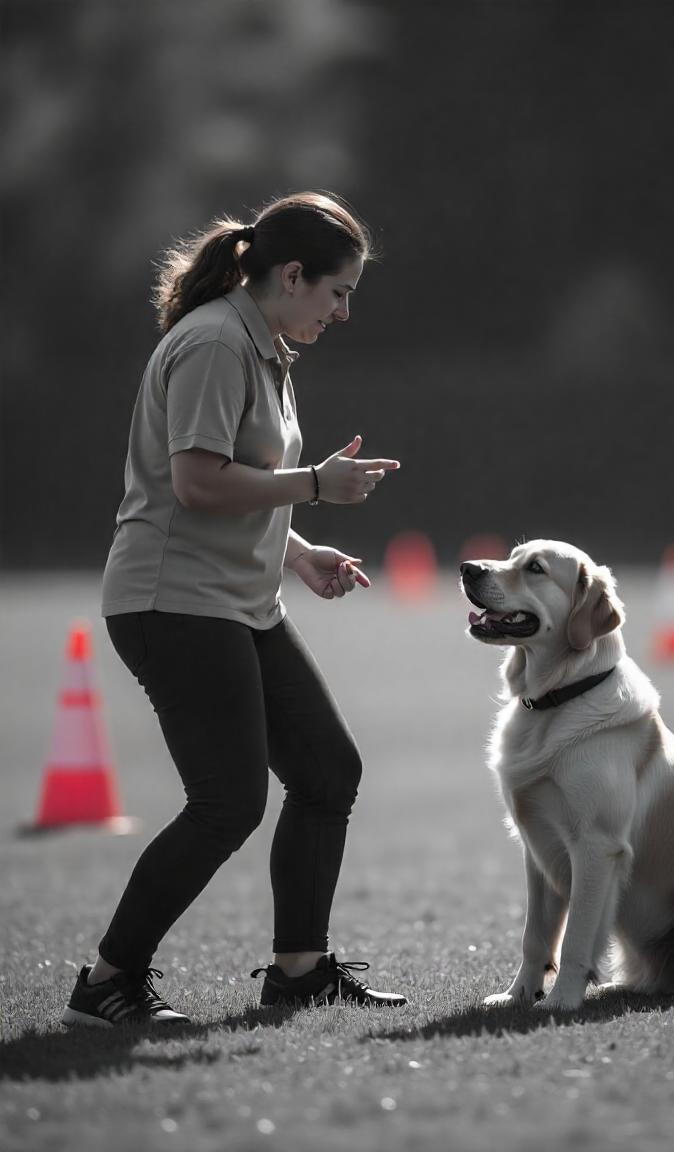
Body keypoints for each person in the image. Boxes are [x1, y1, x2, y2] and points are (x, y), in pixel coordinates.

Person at [62, 192, 407, 1027]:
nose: (344, 310)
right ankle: (107, 984)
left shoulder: (266, 346)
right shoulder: (217, 341)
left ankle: (299, 973)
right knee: (228, 801)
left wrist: (296, 549)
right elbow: (196, 481)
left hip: (237, 603)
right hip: (172, 602)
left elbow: (238, 483)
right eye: (337, 291)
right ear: (291, 275)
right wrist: (317, 488)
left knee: (328, 771)